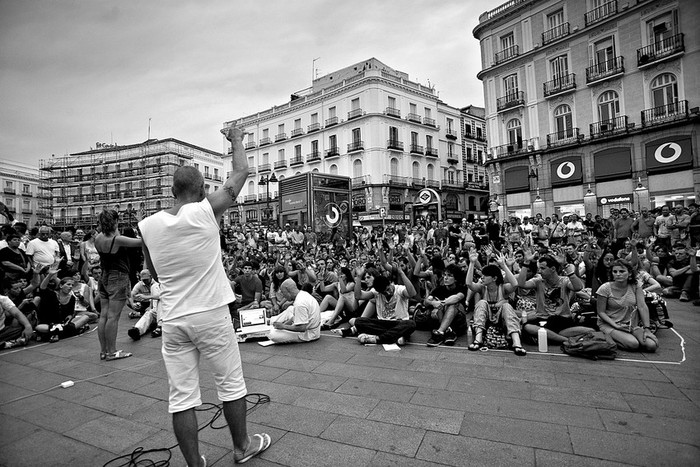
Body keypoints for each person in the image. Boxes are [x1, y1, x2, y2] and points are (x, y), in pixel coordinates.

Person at [138, 125, 270, 467]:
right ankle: (241, 447)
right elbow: (240, 173)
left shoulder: (148, 225)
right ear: (200, 191)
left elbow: (153, 272)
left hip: (173, 317)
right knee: (230, 384)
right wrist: (237, 139)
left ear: (172, 190)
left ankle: (195, 463)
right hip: (210, 312)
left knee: (181, 397)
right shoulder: (205, 210)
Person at [95, 209, 142, 361]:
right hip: (118, 276)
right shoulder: (118, 240)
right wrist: (140, 222)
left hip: (104, 276)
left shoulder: (98, 238)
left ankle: (104, 351)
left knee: (104, 315)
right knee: (113, 317)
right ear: (115, 222)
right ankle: (112, 352)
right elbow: (143, 241)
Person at [466, 251, 526, 356]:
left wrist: (503, 265)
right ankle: (478, 340)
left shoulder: (503, 288)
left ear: (494, 278)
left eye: (485, 276)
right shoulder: (482, 287)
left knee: (506, 306)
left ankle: (517, 344)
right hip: (487, 321)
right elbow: (469, 284)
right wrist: (471, 263)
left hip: (502, 321)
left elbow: (515, 284)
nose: (482, 277)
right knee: (481, 303)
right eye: (482, 275)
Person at [596, 260, 658, 352]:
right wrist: (615, 326)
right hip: (610, 324)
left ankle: (627, 338)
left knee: (651, 345)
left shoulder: (636, 285)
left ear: (629, 273)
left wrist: (647, 329)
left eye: (622, 271)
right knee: (633, 344)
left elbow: (642, 306)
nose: (618, 274)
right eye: (615, 271)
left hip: (630, 325)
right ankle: (607, 337)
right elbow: (601, 312)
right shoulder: (605, 288)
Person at [268, 278, 321, 344]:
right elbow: (295, 316)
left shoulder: (299, 303)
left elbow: (302, 328)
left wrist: (283, 326)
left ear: (288, 291)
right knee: (290, 308)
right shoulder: (303, 294)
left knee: (272, 335)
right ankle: (272, 321)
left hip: (308, 334)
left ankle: (272, 326)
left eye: (283, 293)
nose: (284, 296)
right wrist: (285, 324)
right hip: (313, 329)